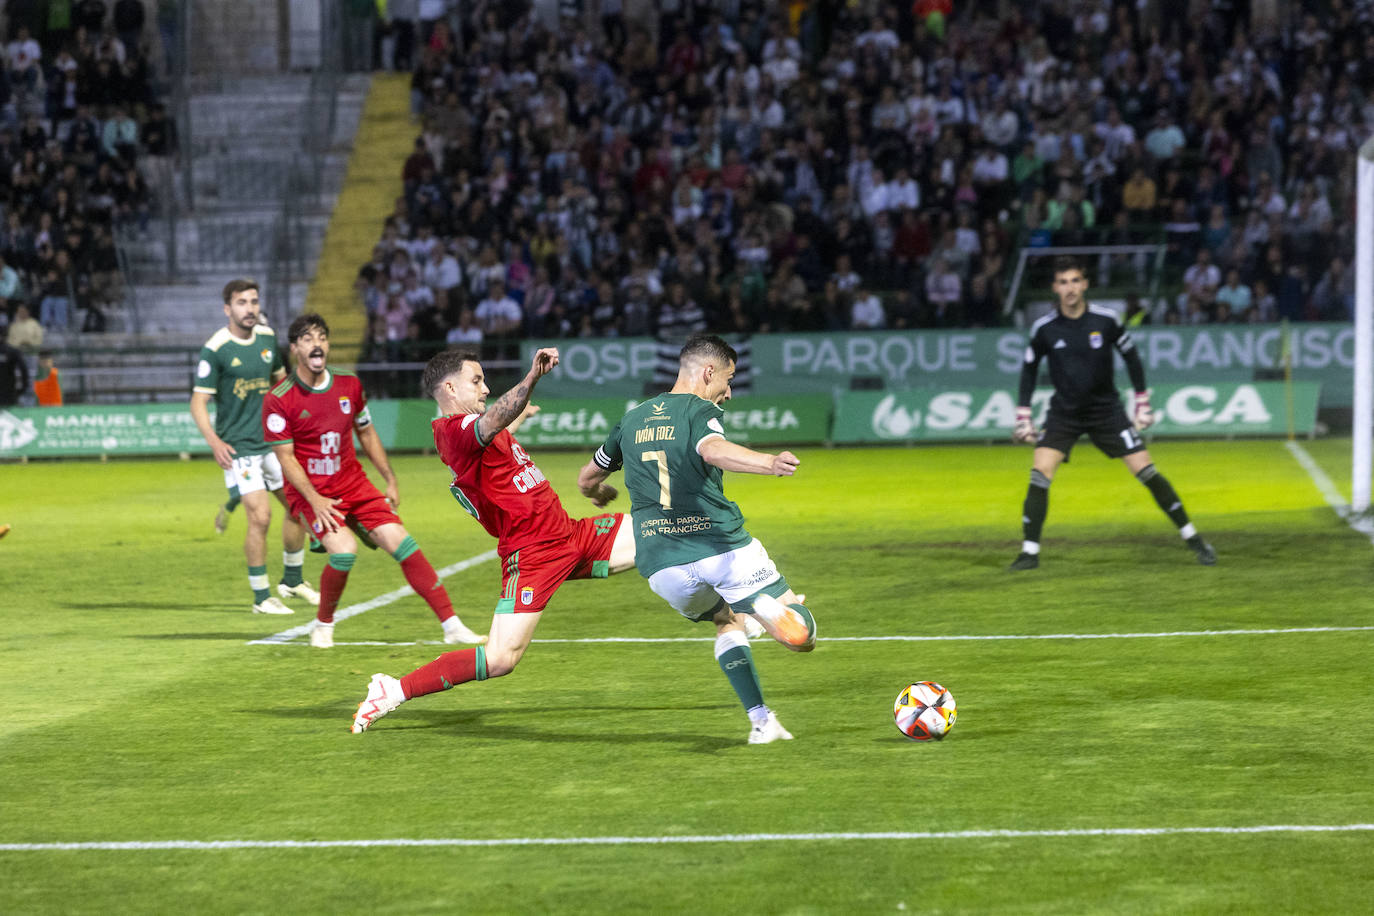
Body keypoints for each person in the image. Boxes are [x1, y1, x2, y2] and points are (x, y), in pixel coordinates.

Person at [350, 346, 636, 732]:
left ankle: (739, 605)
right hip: (532, 555)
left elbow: (496, 430)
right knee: (500, 659)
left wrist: (520, 416)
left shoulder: (475, 434)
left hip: (570, 535)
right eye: (476, 381)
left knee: (660, 533)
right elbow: (495, 419)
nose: (485, 388)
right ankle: (393, 690)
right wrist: (531, 378)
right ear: (450, 388)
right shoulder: (453, 431)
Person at [577, 334, 816, 744]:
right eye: (728, 378)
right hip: (719, 547)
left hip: (661, 564)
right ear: (708, 371)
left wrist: (597, 493)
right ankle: (772, 611)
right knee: (803, 638)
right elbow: (713, 450)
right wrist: (768, 462)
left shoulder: (633, 418)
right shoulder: (698, 410)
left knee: (725, 621)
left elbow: (586, 477)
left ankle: (762, 722)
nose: (728, 391)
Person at [263, 313, 484, 649]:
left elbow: (365, 431)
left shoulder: (349, 385)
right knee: (345, 551)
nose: (317, 344)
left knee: (403, 543)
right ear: (295, 349)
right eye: (308, 338)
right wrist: (315, 501)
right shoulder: (279, 398)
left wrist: (389, 479)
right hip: (312, 494)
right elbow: (286, 458)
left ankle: (452, 626)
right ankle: (322, 624)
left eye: (322, 337)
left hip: (354, 484)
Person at [1009, 257, 1215, 569]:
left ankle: (1195, 540)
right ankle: (1029, 553)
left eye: (1075, 281)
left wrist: (1142, 403)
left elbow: (1132, 359)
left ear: (1085, 283)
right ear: (1055, 288)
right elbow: (1027, 371)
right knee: (1040, 473)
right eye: (1063, 282)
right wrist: (1023, 416)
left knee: (1146, 470)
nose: (1070, 288)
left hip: (1107, 412)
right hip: (1064, 413)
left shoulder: (1106, 321)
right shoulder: (1044, 329)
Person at [190, 278, 319, 616]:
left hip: (274, 444)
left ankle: (292, 579)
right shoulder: (216, 348)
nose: (250, 308)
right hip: (240, 448)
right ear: (227, 308)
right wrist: (215, 442)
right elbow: (198, 402)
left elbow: (281, 381)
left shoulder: (266, 338)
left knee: (298, 506)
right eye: (242, 302)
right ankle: (262, 597)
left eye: (254, 301)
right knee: (260, 517)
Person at [0, 337, 28, 406]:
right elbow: (24, 370)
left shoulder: (12, 351)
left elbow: (23, 369)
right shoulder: (12, 351)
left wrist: (23, 388)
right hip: (8, 393)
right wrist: (23, 388)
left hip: (8, 392)